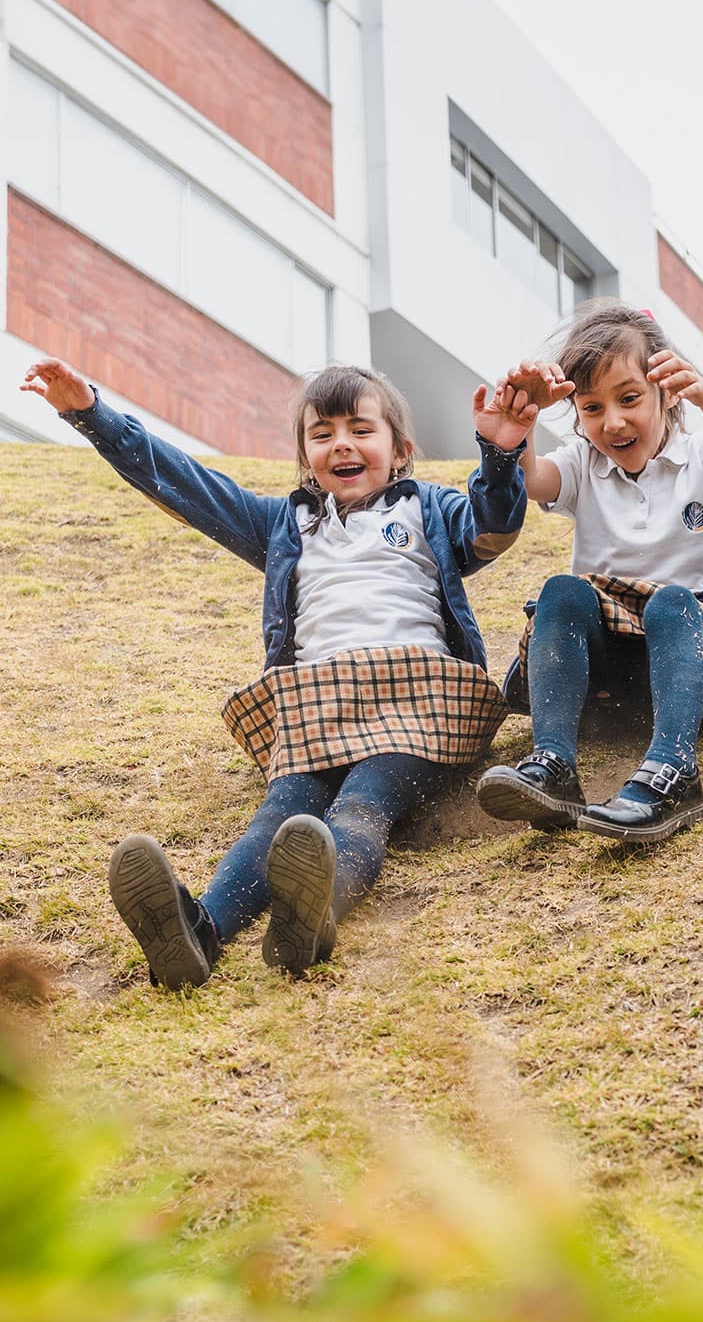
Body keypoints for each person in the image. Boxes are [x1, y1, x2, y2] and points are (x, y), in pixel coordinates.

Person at [21, 356, 536, 984]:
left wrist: (501, 453)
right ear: (304, 457)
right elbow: (184, 483)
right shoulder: (286, 526)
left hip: (417, 698)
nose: (341, 444)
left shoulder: (429, 510)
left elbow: (493, 526)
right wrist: (90, 413)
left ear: (400, 451)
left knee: (361, 808)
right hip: (316, 701)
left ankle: (314, 912)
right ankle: (197, 932)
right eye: (322, 435)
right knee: (278, 817)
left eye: (360, 430)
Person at [476, 301, 703, 842]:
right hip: (609, 675)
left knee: (674, 602)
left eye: (629, 399)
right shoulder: (583, 462)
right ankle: (553, 763)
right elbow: (534, 481)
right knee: (562, 590)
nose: (613, 422)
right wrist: (519, 429)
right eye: (592, 407)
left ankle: (675, 771)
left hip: (693, 663)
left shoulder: (700, 457)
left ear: (667, 391)